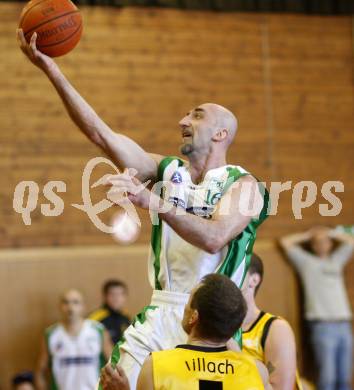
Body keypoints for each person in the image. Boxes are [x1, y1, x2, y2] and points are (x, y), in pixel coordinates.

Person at [18, 30, 269, 390]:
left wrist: (153, 202)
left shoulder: (244, 185)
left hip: (214, 326)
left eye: (196, 116)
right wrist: (52, 70)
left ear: (220, 134)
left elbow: (214, 238)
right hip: (163, 309)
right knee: (111, 384)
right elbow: (102, 136)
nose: (183, 122)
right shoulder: (168, 171)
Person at [101, 274, 272, 390]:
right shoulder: (258, 371)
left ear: (194, 317)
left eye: (188, 300)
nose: (184, 306)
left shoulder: (156, 366)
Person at [280, 226, 354, 390]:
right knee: (327, 379)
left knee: (344, 379)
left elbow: (351, 242)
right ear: (313, 246)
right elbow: (286, 242)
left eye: (325, 242)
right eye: (318, 242)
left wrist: (330, 233)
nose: (322, 245)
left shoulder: (336, 260)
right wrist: (308, 235)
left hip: (343, 324)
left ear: (330, 244)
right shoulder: (306, 263)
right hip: (322, 326)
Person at [239, 253, 304, 390]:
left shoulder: (275, 328)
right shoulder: (213, 327)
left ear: (254, 280)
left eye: (235, 269)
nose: (225, 274)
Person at [35, 289, 113, 390]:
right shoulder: (51, 334)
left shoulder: (98, 330)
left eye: (75, 302)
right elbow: (40, 372)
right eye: (66, 302)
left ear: (83, 306)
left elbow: (114, 366)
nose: (70, 307)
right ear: (60, 306)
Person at [90, 280, 131, 345]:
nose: (116, 298)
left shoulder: (126, 319)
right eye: (112, 294)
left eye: (120, 294)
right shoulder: (95, 318)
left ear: (125, 297)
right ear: (105, 296)